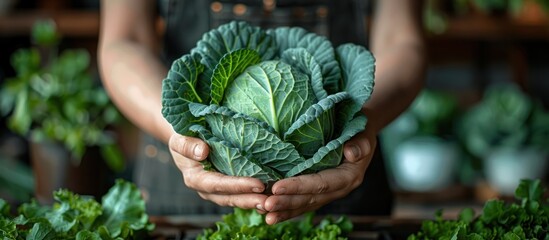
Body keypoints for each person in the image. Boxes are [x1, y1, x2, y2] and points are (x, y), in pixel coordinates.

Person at [98, 0, 426, 225]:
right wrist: (178, 132)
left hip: (344, 181)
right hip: (183, 194)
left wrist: (363, 123)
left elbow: (401, 38)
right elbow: (124, 40)